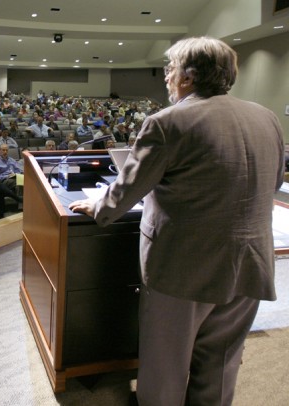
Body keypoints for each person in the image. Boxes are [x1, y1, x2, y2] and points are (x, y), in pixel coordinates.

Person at [68, 37, 285, 406]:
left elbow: (125, 192)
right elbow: (275, 182)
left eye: (170, 69)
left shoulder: (168, 122)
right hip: (250, 263)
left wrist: (98, 206)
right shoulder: (267, 117)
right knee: (220, 361)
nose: (167, 77)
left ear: (188, 76)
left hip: (184, 269)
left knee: (165, 366)